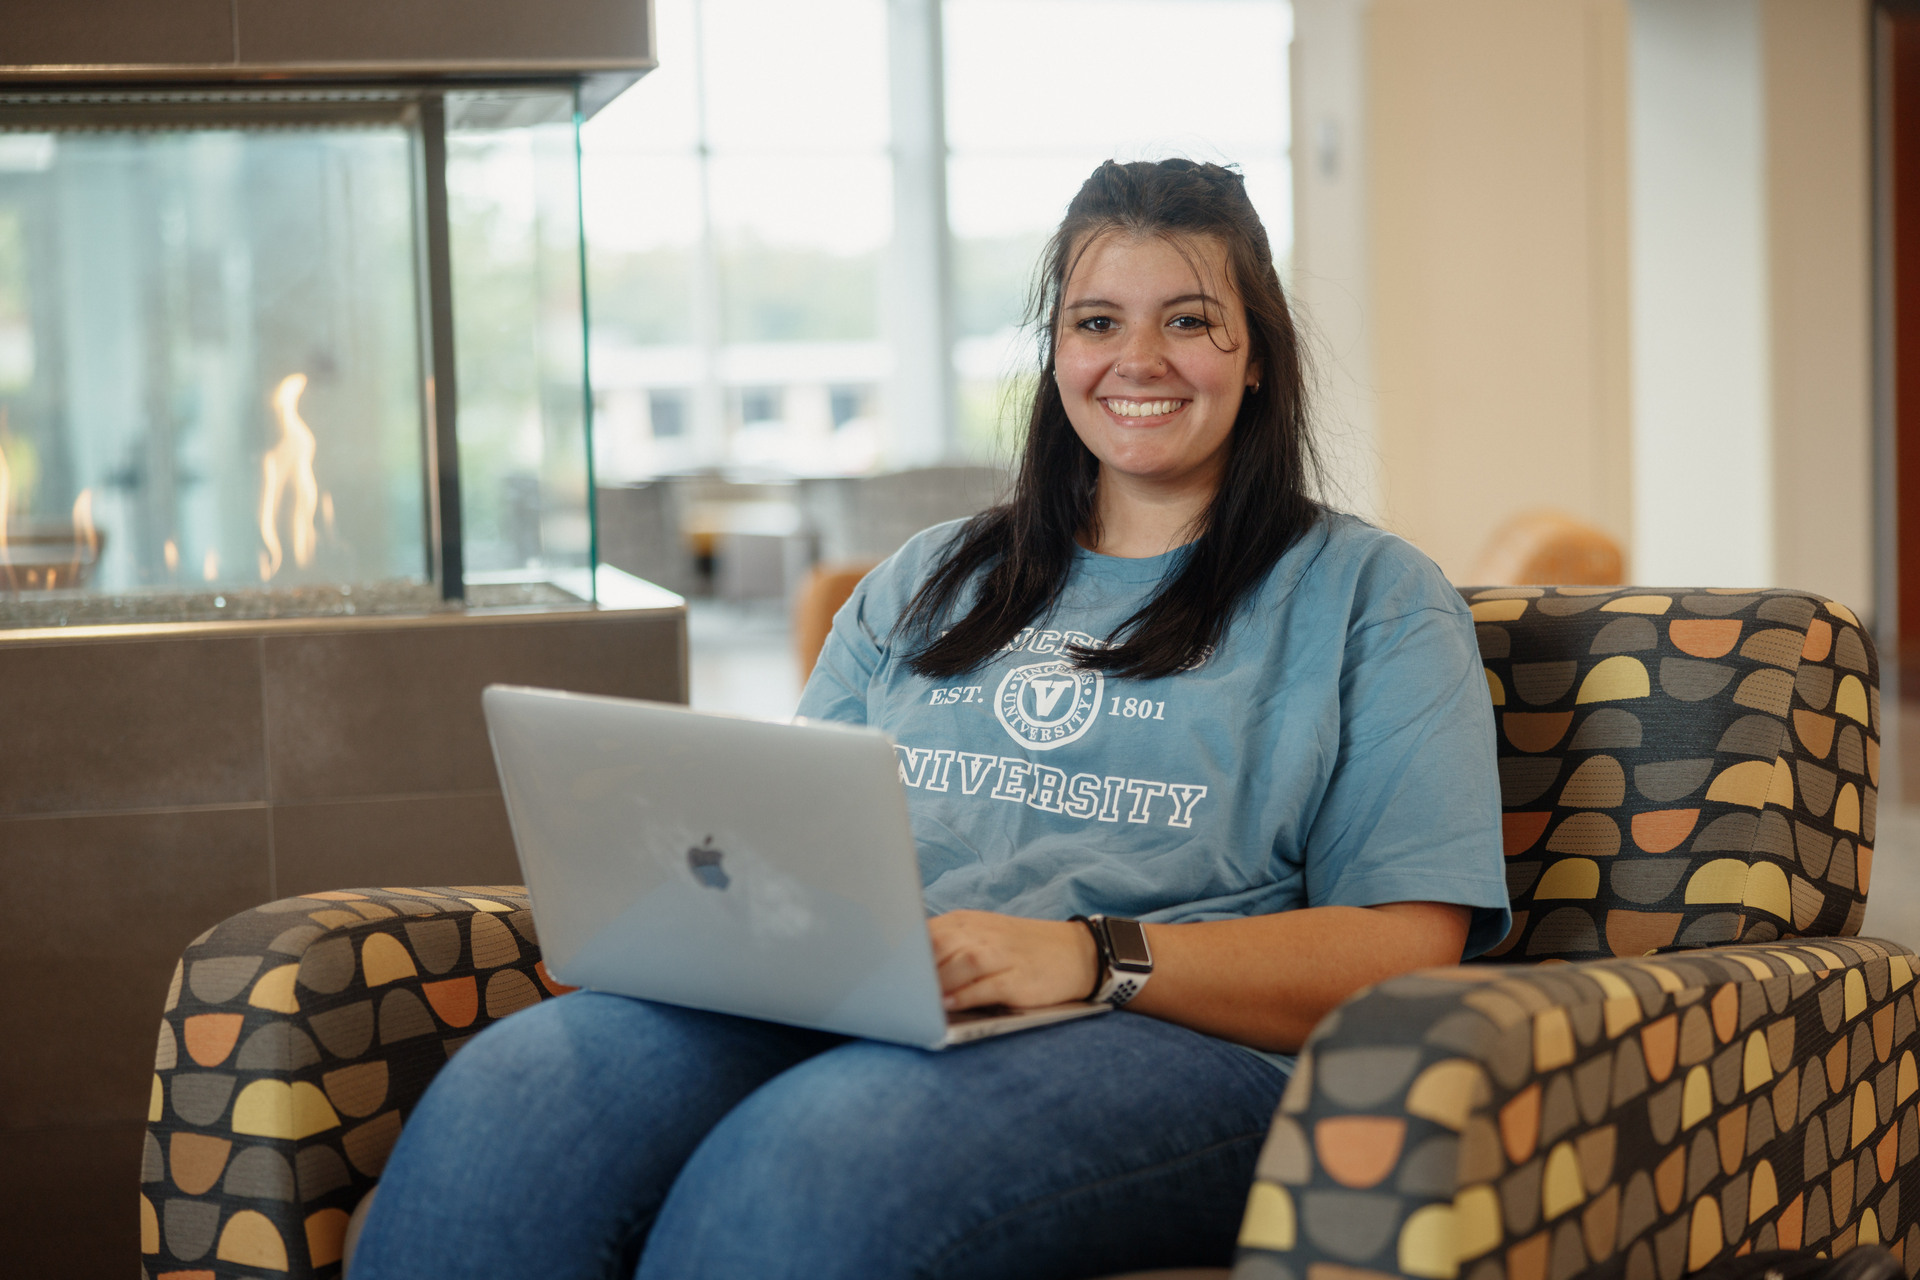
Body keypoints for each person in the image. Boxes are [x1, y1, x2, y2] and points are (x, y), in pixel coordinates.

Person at [351, 158, 1510, 1280]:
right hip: (876, 998)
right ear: (1056, 351)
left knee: (814, 1161)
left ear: (1257, 355)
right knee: (515, 1099)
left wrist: (1088, 955)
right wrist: (673, 909)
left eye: (1190, 321)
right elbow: (787, 845)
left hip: (1172, 1044)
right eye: (1097, 321)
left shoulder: (1372, 598)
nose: (1138, 359)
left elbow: (1404, 950)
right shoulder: (929, 576)